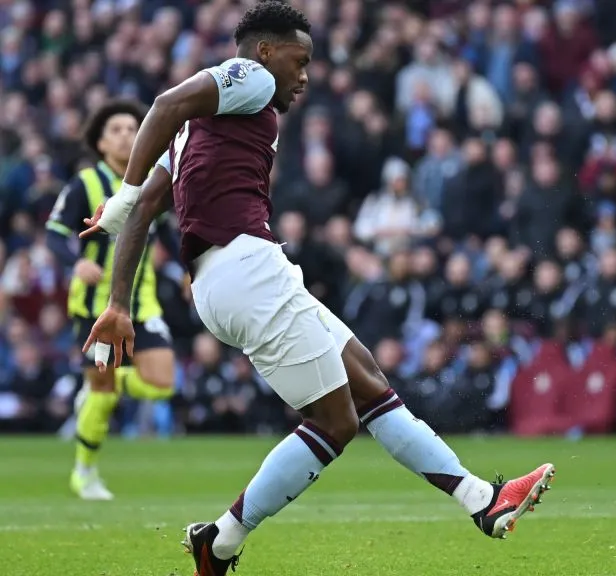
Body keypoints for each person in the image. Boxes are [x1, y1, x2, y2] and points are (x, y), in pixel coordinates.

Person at [80, 3, 554, 575]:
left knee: (371, 387)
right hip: (246, 269)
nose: (304, 76)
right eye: (298, 60)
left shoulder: (193, 132)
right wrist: (126, 195)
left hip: (231, 278)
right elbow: (160, 112)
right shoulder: (248, 78)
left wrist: (117, 302)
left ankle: (482, 500)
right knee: (336, 423)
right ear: (264, 52)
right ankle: (222, 541)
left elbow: (148, 206)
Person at [45, 100, 178, 501]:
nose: (125, 134)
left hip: (144, 304)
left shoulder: (155, 181)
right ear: (101, 143)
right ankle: (84, 472)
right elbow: (54, 234)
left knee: (162, 383)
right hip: (94, 307)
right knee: (102, 402)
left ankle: (98, 382)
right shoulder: (85, 184)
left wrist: (189, 269)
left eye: (132, 128)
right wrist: (76, 263)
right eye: (116, 129)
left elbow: (170, 232)